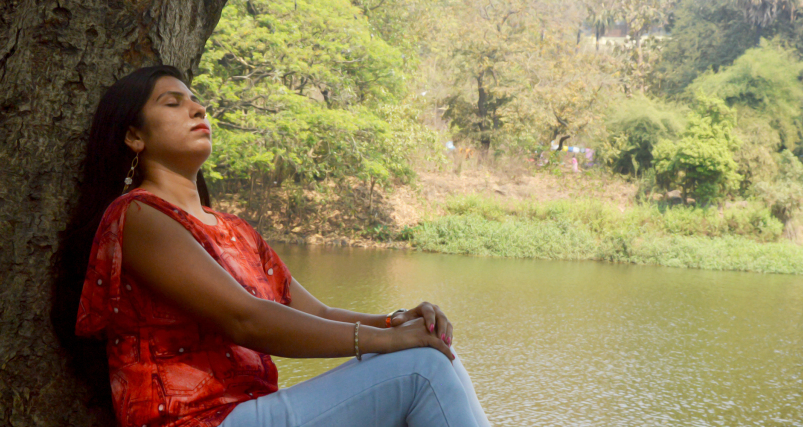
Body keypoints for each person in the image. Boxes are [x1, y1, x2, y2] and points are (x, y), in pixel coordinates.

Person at [64, 65, 489, 427]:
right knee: (423, 369)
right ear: (134, 136)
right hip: (197, 420)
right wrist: (387, 343)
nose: (198, 109)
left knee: (437, 352)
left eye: (195, 100)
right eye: (172, 103)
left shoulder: (237, 231)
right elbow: (244, 319)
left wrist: (397, 323)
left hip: (250, 411)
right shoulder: (138, 216)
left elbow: (318, 313)